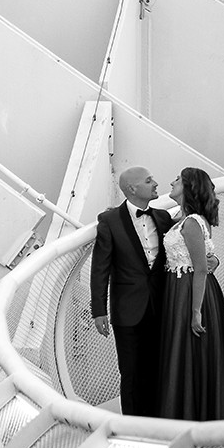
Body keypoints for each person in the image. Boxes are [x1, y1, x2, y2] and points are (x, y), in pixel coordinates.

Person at [157, 167, 224, 420]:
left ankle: (193, 415)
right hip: (180, 290)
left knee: (190, 351)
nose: (171, 182)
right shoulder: (182, 218)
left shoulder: (191, 223)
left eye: (177, 179)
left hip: (190, 292)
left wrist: (196, 311)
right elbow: (205, 258)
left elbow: (199, 269)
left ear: (188, 187)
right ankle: (195, 412)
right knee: (189, 352)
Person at [90, 166, 174, 416]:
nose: (156, 183)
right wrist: (98, 310)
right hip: (127, 310)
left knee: (160, 367)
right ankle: (134, 427)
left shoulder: (163, 218)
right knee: (131, 373)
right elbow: (100, 269)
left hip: (162, 305)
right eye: (149, 181)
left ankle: (161, 418)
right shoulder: (109, 221)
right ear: (132, 189)